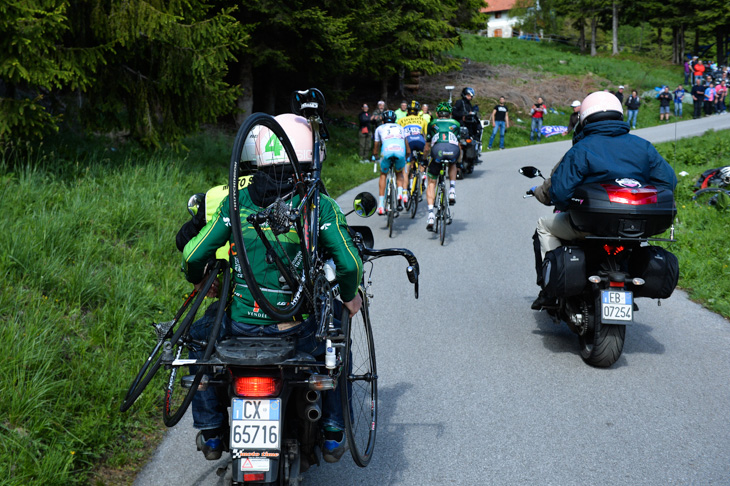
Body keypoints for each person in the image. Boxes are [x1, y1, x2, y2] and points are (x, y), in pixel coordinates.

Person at [181, 113, 363, 463]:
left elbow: (192, 254)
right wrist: (347, 293)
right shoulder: (317, 205)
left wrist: (201, 279)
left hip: (238, 328)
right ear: (309, 158)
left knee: (195, 337)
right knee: (337, 340)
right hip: (298, 332)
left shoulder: (235, 203)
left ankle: (212, 431)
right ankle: (333, 432)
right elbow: (350, 264)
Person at [529, 91, 678, 309]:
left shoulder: (582, 148)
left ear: (584, 119)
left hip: (589, 227)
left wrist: (564, 202)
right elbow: (668, 183)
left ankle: (551, 290)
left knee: (544, 226)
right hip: (636, 227)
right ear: (620, 115)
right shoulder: (643, 146)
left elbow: (559, 193)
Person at [424, 102, 460, 231]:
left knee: (431, 182)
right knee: (453, 163)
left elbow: (427, 146)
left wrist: (423, 160)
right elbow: (458, 144)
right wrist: (459, 161)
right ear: (450, 114)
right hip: (452, 150)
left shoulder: (432, 123)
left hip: (437, 150)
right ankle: (452, 191)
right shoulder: (456, 123)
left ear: (437, 114)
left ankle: (431, 215)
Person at [373, 109, 410, 214]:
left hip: (387, 150)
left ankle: (380, 205)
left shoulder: (379, 128)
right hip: (400, 150)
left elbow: (376, 145)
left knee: (383, 174)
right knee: (399, 173)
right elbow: (406, 144)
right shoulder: (400, 128)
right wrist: (407, 155)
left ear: (383, 120)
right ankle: (399, 193)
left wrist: (374, 155)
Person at [398, 100, 429, 189]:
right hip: (420, 141)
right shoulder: (423, 120)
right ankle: (423, 173)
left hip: (408, 142)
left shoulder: (401, 120)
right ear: (418, 112)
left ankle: (409, 180)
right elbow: (425, 136)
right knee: (423, 158)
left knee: (408, 161)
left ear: (407, 111)